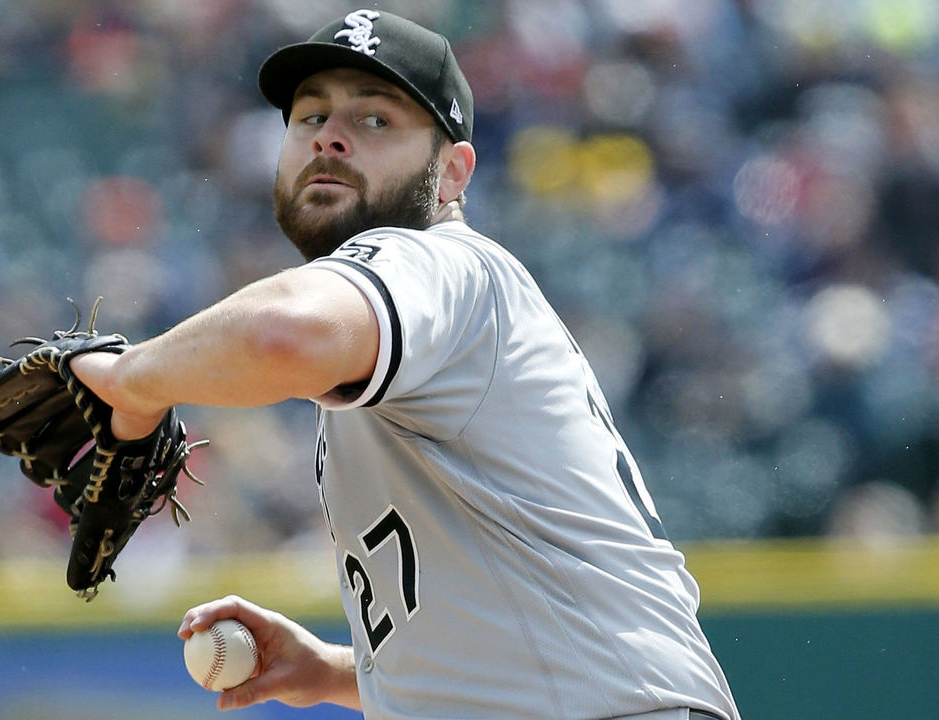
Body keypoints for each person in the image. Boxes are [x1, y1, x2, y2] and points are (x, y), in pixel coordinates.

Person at [69, 9, 740, 720]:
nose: (330, 134)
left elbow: (280, 335)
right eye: (310, 117)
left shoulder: (443, 263)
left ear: (452, 173)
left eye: (376, 120)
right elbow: (527, 643)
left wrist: (127, 382)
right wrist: (338, 672)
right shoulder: (416, 336)